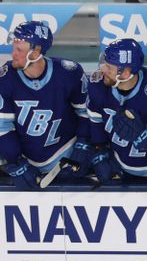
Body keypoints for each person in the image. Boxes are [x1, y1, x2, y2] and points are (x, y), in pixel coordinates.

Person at [0, 21, 92, 189]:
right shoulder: (5, 78)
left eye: (19, 50)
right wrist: (15, 161)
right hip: (25, 158)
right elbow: (3, 128)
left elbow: (86, 114)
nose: (13, 54)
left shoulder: (68, 73)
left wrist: (83, 144)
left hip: (65, 155)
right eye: (14, 47)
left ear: (36, 52)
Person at [86, 38, 147, 182]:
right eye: (104, 63)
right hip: (124, 169)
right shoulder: (97, 85)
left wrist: (146, 139)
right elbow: (96, 122)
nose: (102, 70)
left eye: (109, 67)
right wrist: (100, 151)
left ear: (125, 73)